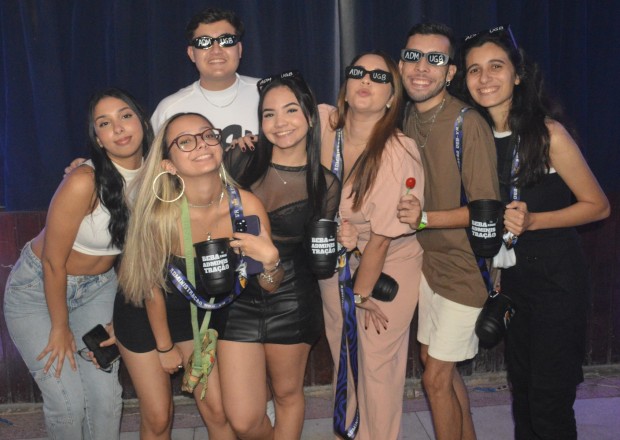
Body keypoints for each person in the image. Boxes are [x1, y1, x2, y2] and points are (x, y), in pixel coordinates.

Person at [456, 26, 610, 439]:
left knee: (548, 401)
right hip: (514, 282)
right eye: (474, 69)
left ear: (518, 74)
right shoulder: (475, 137)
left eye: (496, 66)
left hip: (556, 280)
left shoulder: (547, 134)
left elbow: (598, 205)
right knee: (522, 395)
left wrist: (534, 221)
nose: (484, 78)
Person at [115, 111, 282, 440]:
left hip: (202, 314)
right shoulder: (158, 215)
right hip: (150, 313)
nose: (202, 144)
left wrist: (272, 264)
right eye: (185, 142)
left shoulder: (246, 207)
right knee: (163, 416)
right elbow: (150, 290)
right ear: (168, 164)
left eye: (208, 135)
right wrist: (165, 347)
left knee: (220, 411)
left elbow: (269, 286)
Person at [3, 87, 152, 439]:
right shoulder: (84, 181)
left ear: (142, 122)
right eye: (105, 123)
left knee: (106, 398)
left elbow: (143, 260)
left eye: (125, 116)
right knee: (68, 404)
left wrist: (123, 318)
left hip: (99, 290)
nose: (118, 128)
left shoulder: (156, 178)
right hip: (38, 291)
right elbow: (53, 262)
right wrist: (60, 327)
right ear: (98, 139)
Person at [218, 71, 340, 439]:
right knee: (243, 419)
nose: (279, 122)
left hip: (291, 297)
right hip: (237, 296)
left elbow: (318, 251)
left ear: (310, 117)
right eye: (269, 114)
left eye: (290, 110)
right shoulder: (239, 161)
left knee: (287, 395)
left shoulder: (325, 184)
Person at [396, 22, 500, 440]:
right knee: (434, 363)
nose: (422, 67)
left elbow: (485, 210)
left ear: (450, 71)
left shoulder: (466, 123)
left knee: (435, 378)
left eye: (435, 59)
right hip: (427, 264)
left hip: (464, 268)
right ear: (401, 64)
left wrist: (424, 218)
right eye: (413, 56)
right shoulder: (405, 115)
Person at [317, 51, 425, 440]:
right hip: (336, 258)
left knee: (377, 367)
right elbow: (277, 121)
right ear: (345, 88)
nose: (366, 80)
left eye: (380, 77)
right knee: (344, 356)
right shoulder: (324, 125)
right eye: (358, 73)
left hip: (387, 262)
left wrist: (361, 295)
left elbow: (381, 239)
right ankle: (348, 432)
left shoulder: (398, 151)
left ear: (392, 98)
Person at [150, 7, 259, 142]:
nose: (216, 50)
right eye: (204, 42)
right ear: (191, 53)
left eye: (226, 40)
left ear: (239, 49)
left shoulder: (266, 93)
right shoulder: (169, 109)